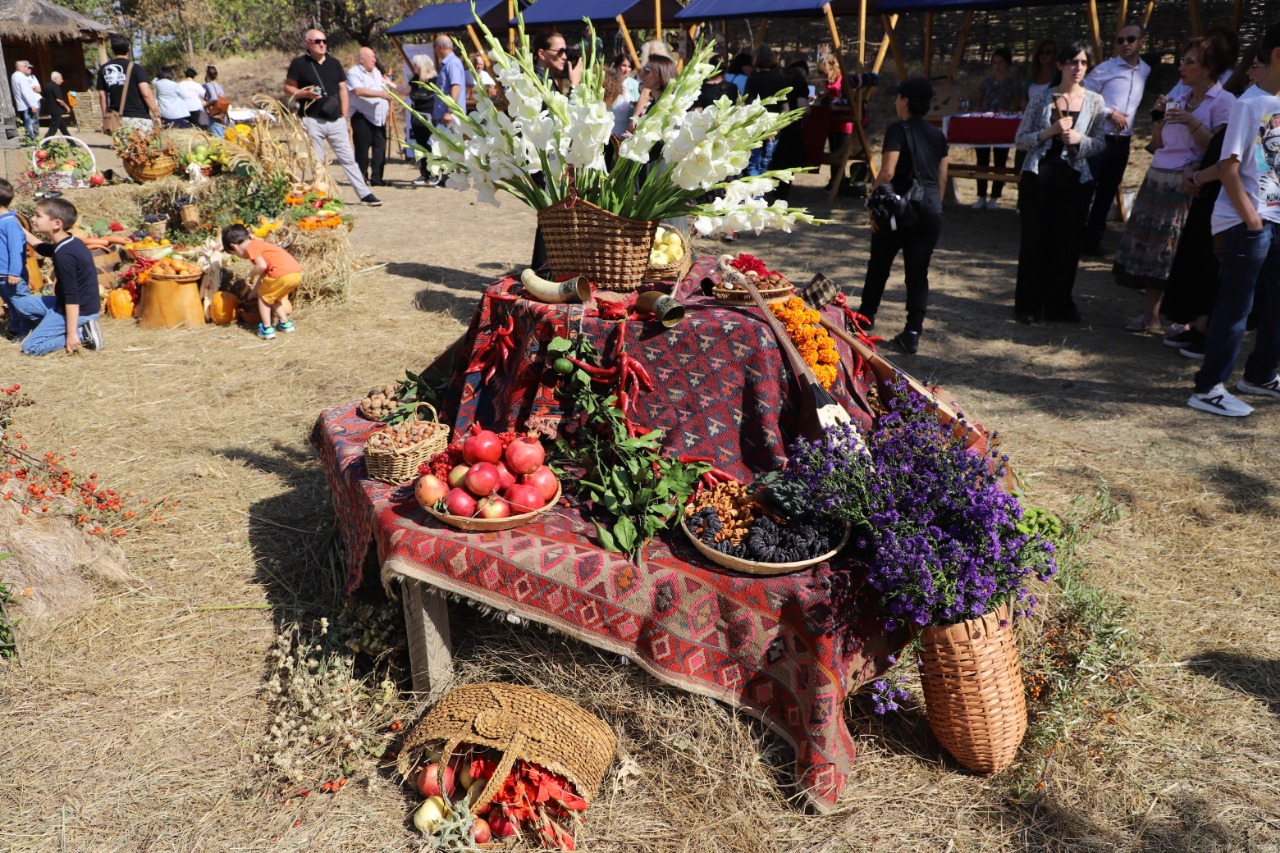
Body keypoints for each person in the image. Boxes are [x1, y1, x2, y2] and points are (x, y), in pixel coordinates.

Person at [1186, 21, 1280, 417]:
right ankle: (1208, 387)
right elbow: (1229, 167)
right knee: (1235, 308)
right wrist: (1253, 221)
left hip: (1273, 220)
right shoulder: (1249, 104)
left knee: (1274, 305)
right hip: (1246, 224)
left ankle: (1260, 375)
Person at [1115, 34, 1236, 335]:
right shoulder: (1181, 98)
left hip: (1187, 184)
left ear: (1208, 68)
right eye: (1183, 61)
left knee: (1173, 252)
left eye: (1190, 62)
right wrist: (1158, 118)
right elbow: (1159, 144)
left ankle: (1183, 319)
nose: (1182, 67)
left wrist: (1192, 122)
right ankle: (1151, 316)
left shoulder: (1224, 102)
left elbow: (1218, 150)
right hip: (1158, 178)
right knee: (1151, 250)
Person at [1163, 44, 1264, 358]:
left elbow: (1233, 163)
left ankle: (1211, 336)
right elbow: (1220, 149)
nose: (1249, 72)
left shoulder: (1254, 106)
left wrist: (1198, 176)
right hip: (1213, 195)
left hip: (1235, 199)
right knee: (1202, 263)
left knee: (1218, 271)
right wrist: (1196, 168)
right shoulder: (1249, 100)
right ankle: (1200, 325)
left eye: (1256, 66)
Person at [1013, 41, 1107, 325]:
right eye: (1072, 62)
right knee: (1035, 240)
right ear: (1060, 65)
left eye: (1083, 63)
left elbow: (1100, 143)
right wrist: (1048, 132)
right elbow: (1020, 139)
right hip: (1039, 175)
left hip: (1075, 177)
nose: (1078, 68)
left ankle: (1059, 305)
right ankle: (1028, 305)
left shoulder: (1095, 101)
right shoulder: (1042, 98)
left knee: (1067, 242)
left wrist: (1080, 139)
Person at [857, 78, 949, 355]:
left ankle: (865, 318)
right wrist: (934, 206)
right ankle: (912, 331)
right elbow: (942, 179)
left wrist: (872, 200)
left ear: (906, 101)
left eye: (898, 97)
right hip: (930, 209)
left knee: (879, 264)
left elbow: (887, 172)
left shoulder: (898, 129)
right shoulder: (938, 135)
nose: (896, 101)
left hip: (899, 209)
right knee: (917, 273)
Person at [284, 29, 381, 206]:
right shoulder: (299, 63)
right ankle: (319, 196)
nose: (322, 44)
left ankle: (365, 194)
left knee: (348, 158)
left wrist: (345, 113)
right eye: (317, 41)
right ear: (307, 43)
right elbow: (288, 87)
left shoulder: (334, 63)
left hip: (336, 119)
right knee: (317, 161)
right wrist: (305, 93)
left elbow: (343, 89)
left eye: (324, 41)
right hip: (312, 119)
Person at [1080, 23, 1152, 255]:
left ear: (1142, 42)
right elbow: (1084, 96)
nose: (1124, 44)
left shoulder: (1145, 70)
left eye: (1130, 39)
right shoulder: (1105, 68)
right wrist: (1109, 112)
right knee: (1086, 190)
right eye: (1120, 40)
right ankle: (1072, 239)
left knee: (1107, 193)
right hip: (1099, 138)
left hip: (1123, 142)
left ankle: (1092, 242)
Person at [18, 197, 103, 356]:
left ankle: (82, 333)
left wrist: (71, 333)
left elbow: (72, 296)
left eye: (38, 216)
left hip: (80, 310)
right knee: (21, 304)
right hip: (66, 303)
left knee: (31, 347)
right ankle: (54, 326)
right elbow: (44, 249)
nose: (33, 218)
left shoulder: (64, 256)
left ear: (57, 224)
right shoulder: (70, 242)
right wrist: (21, 230)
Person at [222, 223, 303, 341]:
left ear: (234, 247)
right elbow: (264, 274)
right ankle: (285, 323)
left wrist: (249, 274)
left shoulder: (251, 247)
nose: (239, 256)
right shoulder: (258, 245)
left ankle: (267, 329)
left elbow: (261, 266)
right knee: (274, 298)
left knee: (263, 298)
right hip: (295, 273)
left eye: (235, 254)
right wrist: (252, 293)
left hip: (280, 273)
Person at [972, 48, 1023, 209]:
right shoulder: (986, 83)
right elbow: (979, 102)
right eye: (995, 62)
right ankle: (981, 196)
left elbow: (1018, 104)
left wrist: (1008, 111)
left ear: (1007, 64)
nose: (997, 66)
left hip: (1004, 125)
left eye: (1001, 62)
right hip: (986, 124)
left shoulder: (1014, 84)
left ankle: (995, 197)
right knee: (982, 160)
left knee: (1000, 161)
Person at [0, 179, 43, 339]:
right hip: (2, 274)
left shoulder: (10, 223)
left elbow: (16, 250)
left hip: (11, 275)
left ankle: (28, 330)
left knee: (21, 304)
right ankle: (16, 328)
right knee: (11, 304)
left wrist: (14, 272)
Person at [347, 47, 392, 188]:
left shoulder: (377, 72)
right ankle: (361, 178)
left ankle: (377, 178)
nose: (374, 59)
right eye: (371, 57)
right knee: (362, 149)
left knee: (380, 148)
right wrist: (380, 94)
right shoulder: (353, 73)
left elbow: (385, 87)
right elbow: (358, 91)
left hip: (379, 117)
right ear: (362, 59)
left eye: (374, 57)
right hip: (362, 116)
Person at [96, 36, 158, 131]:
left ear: (112, 50)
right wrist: (156, 113)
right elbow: (146, 94)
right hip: (139, 118)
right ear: (129, 49)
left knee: (121, 141)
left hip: (117, 120)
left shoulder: (103, 69)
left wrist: (105, 117)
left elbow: (102, 96)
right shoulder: (136, 68)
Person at [744, 44, 788, 177]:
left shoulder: (752, 80)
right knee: (765, 165)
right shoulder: (780, 79)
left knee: (753, 165)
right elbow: (785, 108)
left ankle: (755, 190)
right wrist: (776, 127)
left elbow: (749, 106)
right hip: (774, 128)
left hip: (756, 128)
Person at [819, 54, 853, 190]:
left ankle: (838, 182)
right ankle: (835, 181)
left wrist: (828, 97)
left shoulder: (841, 81)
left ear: (833, 69)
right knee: (833, 152)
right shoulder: (829, 83)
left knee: (840, 154)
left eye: (825, 73)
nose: (824, 76)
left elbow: (842, 99)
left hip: (844, 124)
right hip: (832, 122)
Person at [405, 54, 439, 187]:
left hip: (430, 118)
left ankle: (435, 174)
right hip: (417, 118)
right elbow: (405, 91)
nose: (414, 67)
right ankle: (424, 173)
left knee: (431, 146)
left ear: (422, 66)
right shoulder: (415, 79)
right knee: (420, 146)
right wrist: (389, 84)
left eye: (416, 65)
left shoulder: (435, 79)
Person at [433, 36, 468, 132]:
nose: (434, 50)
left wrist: (450, 111)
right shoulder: (448, 63)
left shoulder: (452, 63)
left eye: (434, 46)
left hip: (450, 119)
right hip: (445, 117)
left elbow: (455, 87)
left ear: (441, 47)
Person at [10, 60, 42, 139]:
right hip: (26, 105)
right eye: (25, 66)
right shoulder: (20, 76)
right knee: (29, 123)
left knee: (28, 123)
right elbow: (25, 92)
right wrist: (32, 105)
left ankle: (30, 139)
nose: (27, 68)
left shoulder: (14, 76)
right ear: (19, 67)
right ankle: (31, 140)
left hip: (23, 104)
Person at [42, 71, 70, 138]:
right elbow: (59, 100)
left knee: (63, 127)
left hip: (50, 109)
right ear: (56, 78)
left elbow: (43, 97)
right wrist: (67, 107)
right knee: (53, 128)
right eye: (61, 78)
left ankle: (71, 142)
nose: (62, 80)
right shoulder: (55, 86)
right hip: (56, 110)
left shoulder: (46, 86)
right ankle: (45, 142)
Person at [203, 65, 228, 137]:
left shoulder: (209, 85)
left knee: (217, 134)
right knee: (222, 133)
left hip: (215, 113)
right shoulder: (218, 85)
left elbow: (214, 98)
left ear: (207, 74)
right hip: (222, 112)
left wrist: (206, 103)